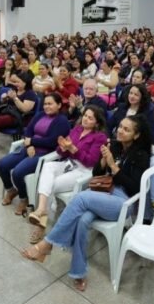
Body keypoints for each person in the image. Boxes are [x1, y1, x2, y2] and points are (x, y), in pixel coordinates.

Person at [21, 115, 152, 292]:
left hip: (122, 202)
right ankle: (78, 272)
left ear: (136, 135)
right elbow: (97, 172)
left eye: (126, 129)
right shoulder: (114, 145)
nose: (120, 130)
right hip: (103, 191)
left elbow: (135, 188)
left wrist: (113, 166)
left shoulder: (141, 155)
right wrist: (104, 161)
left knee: (80, 198)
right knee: (82, 221)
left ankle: (47, 243)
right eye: (120, 126)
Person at [26, 105, 107, 244]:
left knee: (51, 184)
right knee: (48, 166)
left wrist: (73, 149)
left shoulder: (100, 137)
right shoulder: (77, 129)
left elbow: (91, 161)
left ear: (97, 123)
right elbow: (61, 151)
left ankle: (41, 224)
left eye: (90, 118)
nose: (85, 119)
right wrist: (62, 146)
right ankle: (42, 210)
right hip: (69, 163)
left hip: (83, 171)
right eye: (85, 116)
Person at [0, 93, 71, 215]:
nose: (47, 107)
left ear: (59, 105)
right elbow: (28, 130)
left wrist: (32, 141)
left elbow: (52, 141)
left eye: (50, 104)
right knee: (2, 165)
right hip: (29, 148)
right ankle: (11, 190)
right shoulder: (40, 114)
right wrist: (29, 145)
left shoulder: (62, 121)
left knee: (18, 172)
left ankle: (23, 198)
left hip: (43, 154)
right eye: (45, 104)